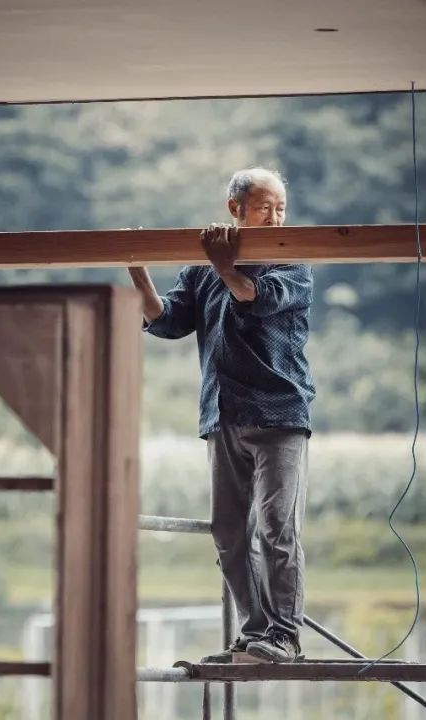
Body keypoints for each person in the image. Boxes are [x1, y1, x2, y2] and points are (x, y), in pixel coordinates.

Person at [127, 167, 315, 663]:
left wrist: (226, 268)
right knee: (229, 533)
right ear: (235, 209)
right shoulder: (198, 271)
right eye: (263, 208)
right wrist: (138, 272)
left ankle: (284, 635)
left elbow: (259, 298)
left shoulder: (290, 264)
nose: (274, 219)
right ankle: (254, 634)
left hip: (278, 415)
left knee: (277, 526)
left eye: (280, 209)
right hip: (223, 416)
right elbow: (166, 321)